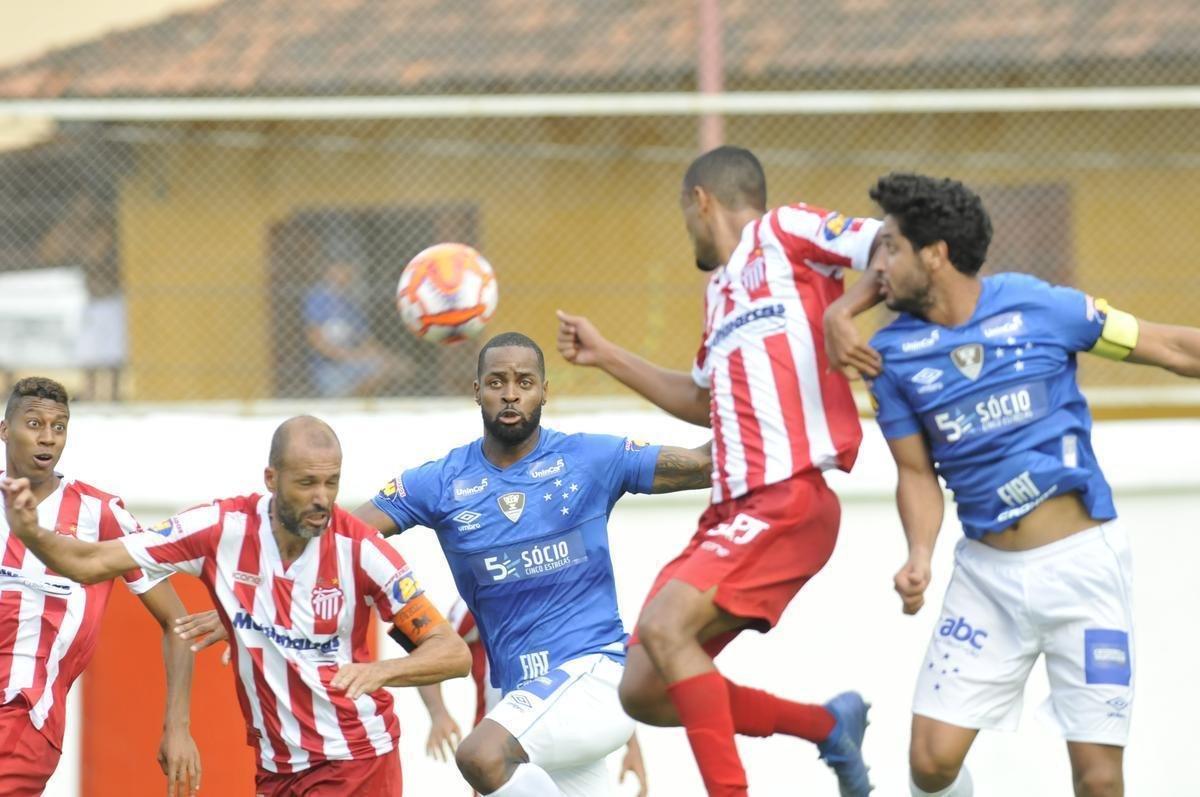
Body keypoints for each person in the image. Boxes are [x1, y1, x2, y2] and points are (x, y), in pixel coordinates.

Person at [823, 172, 1200, 797]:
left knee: (1099, 778)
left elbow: (1170, 347)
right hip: (986, 581)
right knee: (930, 762)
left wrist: (842, 308)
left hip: (1083, 573)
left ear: (935, 254)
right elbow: (916, 472)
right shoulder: (892, 356)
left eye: (889, 247)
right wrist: (919, 556)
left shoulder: (1043, 307)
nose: (875, 265)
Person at [556, 145, 878, 797]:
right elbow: (705, 401)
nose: (690, 235)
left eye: (686, 218)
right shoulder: (722, 293)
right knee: (643, 689)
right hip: (731, 512)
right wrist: (607, 355)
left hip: (788, 496)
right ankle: (826, 726)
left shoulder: (785, 231)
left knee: (665, 625)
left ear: (700, 201)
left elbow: (892, 243)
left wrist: (844, 312)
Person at [0, 414, 472, 796]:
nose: (321, 499)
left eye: (331, 483)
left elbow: (451, 652)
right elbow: (90, 562)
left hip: (355, 762)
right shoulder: (221, 529)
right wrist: (30, 533)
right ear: (271, 478)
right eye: (307, 483)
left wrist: (380, 673)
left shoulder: (363, 551)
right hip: (276, 768)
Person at [353, 330, 712, 796]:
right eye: (497, 381)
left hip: (596, 675)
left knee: (480, 755)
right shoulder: (440, 482)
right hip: (523, 697)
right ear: (476, 390)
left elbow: (703, 465)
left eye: (524, 381)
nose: (510, 392)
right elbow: (346, 536)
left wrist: (771, 404)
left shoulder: (590, 458)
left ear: (544, 391)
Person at [0, 376, 199, 795]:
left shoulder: (99, 513)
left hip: (25, 714)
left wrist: (177, 727)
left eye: (59, 427)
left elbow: (178, 622)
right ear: (5, 430)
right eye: (34, 424)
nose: (48, 438)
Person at [417, 598, 650, 797]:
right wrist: (438, 714)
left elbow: (594, 676)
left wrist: (633, 746)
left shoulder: (564, 600)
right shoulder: (476, 601)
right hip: (502, 749)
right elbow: (433, 653)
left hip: (559, 738)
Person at [304, 259, 406, 397]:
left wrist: (387, 358)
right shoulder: (319, 299)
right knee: (377, 370)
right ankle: (350, 400)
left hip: (353, 364)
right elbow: (316, 339)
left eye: (349, 270)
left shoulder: (350, 304)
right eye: (341, 269)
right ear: (330, 271)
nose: (346, 275)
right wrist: (351, 357)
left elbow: (366, 342)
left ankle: (357, 400)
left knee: (394, 367)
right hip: (329, 368)